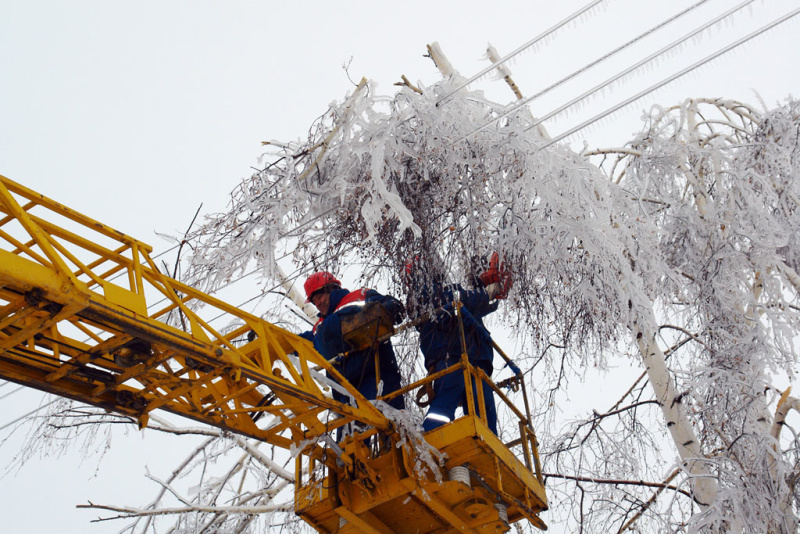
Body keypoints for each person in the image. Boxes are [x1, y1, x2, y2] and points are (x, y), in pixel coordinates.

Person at [406, 254, 511, 436]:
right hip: (449, 354)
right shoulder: (422, 292)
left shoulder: (442, 290)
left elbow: (477, 304)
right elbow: (453, 299)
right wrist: (487, 293)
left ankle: (488, 443)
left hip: (474, 355)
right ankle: (431, 437)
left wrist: (490, 292)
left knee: (483, 406)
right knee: (447, 398)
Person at [302, 271, 406, 413]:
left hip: (377, 378)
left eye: (319, 297)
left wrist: (374, 315)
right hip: (345, 395)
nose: (318, 304)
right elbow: (299, 342)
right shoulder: (319, 328)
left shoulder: (359, 297)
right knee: (350, 434)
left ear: (331, 289)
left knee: (390, 426)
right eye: (314, 302)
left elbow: (394, 307)